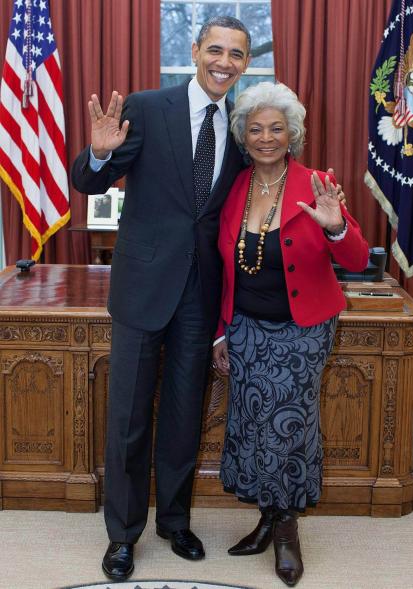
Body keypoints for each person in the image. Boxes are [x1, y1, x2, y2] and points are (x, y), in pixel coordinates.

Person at [71, 16, 251, 581]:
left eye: (237, 55)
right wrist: (99, 156)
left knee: (181, 417)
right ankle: (123, 535)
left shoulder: (243, 128)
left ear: (245, 64)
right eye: (215, 50)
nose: (224, 62)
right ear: (196, 51)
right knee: (127, 419)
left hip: (201, 296)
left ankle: (174, 521)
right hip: (143, 290)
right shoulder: (148, 108)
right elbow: (90, 181)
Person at [212, 82, 369, 586]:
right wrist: (222, 333)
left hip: (302, 331)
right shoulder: (235, 185)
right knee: (253, 423)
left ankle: (285, 531)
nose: (265, 138)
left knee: (288, 426)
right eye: (255, 129)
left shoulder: (317, 183)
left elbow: (358, 259)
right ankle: (265, 517)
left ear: (292, 133)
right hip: (246, 329)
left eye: (276, 128)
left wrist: (335, 227)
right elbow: (225, 268)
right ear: (243, 136)